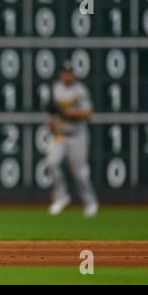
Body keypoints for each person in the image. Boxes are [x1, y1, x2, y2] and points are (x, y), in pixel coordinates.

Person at [45, 61, 99, 217]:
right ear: (61, 74)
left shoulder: (80, 90)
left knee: (80, 172)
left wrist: (67, 112)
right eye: (65, 72)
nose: (67, 75)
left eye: (70, 72)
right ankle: (61, 196)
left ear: (73, 74)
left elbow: (88, 113)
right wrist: (50, 120)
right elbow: (53, 110)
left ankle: (90, 202)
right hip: (61, 134)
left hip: (78, 135)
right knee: (51, 163)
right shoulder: (57, 87)